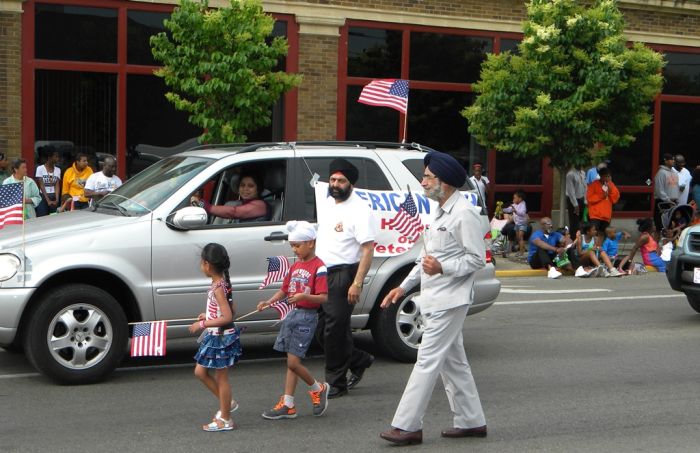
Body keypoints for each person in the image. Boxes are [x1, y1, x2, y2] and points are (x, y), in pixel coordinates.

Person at [378, 151, 487, 446]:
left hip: (451, 299)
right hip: (435, 297)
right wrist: (403, 287)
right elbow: (426, 259)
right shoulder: (439, 211)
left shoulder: (463, 214)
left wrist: (444, 267)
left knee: (426, 361)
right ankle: (471, 420)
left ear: (445, 182)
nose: (423, 182)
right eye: (424, 176)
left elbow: (476, 260)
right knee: (454, 363)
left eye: (428, 177)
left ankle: (407, 426)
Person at [315, 158, 376, 399]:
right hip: (321, 274)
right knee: (321, 330)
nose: (335, 184)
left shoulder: (360, 209)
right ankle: (359, 359)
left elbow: (368, 249)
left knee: (335, 331)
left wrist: (357, 283)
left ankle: (336, 382)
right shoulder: (327, 202)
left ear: (351, 183)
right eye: (332, 179)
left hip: (343, 274)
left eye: (341, 180)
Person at [257, 221, 330, 420]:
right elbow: (284, 289)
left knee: (293, 362)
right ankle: (288, 403)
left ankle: (318, 388)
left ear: (311, 243)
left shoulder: (319, 267)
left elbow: (323, 297)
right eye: (292, 246)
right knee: (291, 362)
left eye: (297, 245)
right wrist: (268, 302)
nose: (294, 249)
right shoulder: (295, 265)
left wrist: (304, 297)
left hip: (307, 316)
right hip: (293, 314)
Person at [188, 243, 242, 432]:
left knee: (221, 378)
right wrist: (208, 316)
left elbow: (227, 316)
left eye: (202, 264)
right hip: (216, 335)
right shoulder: (220, 284)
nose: (201, 267)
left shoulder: (219, 287)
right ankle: (227, 403)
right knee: (200, 372)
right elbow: (230, 310)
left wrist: (202, 324)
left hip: (221, 338)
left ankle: (226, 419)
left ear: (207, 264)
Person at [191, 172, 269, 222]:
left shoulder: (260, 205)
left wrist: (204, 205)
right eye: (242, 185)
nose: (245, 189)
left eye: (250, 186)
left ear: (258, 189)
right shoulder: (239, 203)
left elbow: (233, 212)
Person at [586, 167, 620, 238]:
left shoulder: (611, 185)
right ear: (601, 176)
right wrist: (602, 196)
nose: (608, 178)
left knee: (604, 236)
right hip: (595, 215)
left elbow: (616, 197)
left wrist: (610, 191)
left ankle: (601, 249)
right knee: (594, 234)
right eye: (606, 176)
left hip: (606, 216)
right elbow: (589, 198)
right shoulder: (593, 185)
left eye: (609, 176)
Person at [653, 153, 679, 234]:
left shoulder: (675, 173)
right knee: (660, 228)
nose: (673, 161)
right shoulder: (661, 173)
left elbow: (675, 188)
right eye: (671, 159)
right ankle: (655, 246)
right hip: (663, 203)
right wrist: (668, 201)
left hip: (673, 203)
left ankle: (668, 246)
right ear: (665, 160)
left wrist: (676, 200)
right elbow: (659, 190)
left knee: (672, 227)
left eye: (674, 159)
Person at [35, 146, 61, 216]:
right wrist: (48, 200)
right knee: (42, 217)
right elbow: (41, 185)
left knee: (54, 217)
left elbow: (57, 185)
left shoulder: (58, 169)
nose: (57, 159)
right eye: (55, 157)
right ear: (49, 157)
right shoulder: (40, 168)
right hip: (43, 196)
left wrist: (57, 199)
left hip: (54, 196)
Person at [501, 189, 528, 256]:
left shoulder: (523, 204)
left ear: (520, 199)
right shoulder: (515, 204)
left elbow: (522, 213)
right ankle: (520, 250)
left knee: (520, 237)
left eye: (515, 198)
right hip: (517, 223)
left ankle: (521, 252)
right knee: (518, 237)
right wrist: (502, 209)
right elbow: (509, 209)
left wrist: (515, 211)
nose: (514, 199)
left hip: (522, 223)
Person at [565, 165, 586, 231]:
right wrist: (575, 204)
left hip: (581, 199)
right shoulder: (570, 174)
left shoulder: (582, 173)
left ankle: (579, 238)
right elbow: (570, 190)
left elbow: (585, 187)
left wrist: (585, 200)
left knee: (580, 221)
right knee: (574, 222)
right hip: (573, 200)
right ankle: (573, 238)